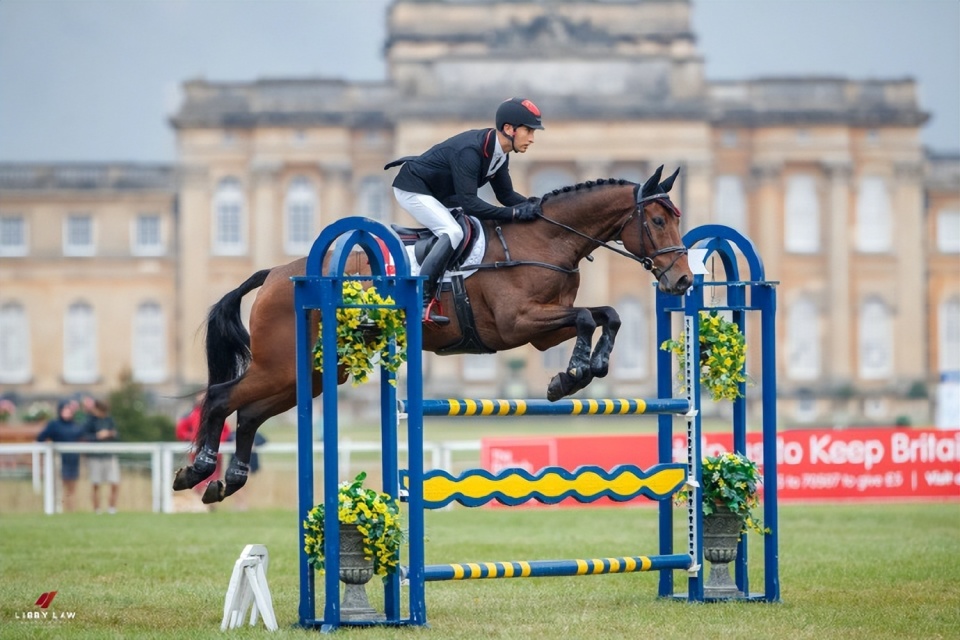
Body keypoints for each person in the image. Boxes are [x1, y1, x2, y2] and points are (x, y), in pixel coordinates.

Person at [386, 97, 545, 324]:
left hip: (441, 195)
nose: (532, 139)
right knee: (453, 232)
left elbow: (506, 196)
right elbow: (470, 203)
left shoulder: (500, 153)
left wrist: (539, 207)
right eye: (528, 131)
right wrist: (513, 214)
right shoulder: (471, 151)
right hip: (414, 189)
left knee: (473, 231)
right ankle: (421, 301)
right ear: (509, 129)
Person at [176, 393, 231, 497]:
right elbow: (180, 431)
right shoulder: (191, 415)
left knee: (214, 479)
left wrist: (217, 440)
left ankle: (211, 501)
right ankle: (199, 500)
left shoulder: (216, 414)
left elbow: (226, 431)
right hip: (197, 453)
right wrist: (191, 437)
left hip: (215, 454)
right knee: (198, 478)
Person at [35, 398, 83, 512]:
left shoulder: (75, 425)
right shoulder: (54, 425)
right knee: (58, 485)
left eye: (69, 410)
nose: (68, 412)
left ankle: (70, 509)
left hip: (73, 459)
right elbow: (41, 437)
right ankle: (57, 508)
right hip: (59, 459)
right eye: (65, 409)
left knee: (71, 486)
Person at [81, 397, 120, 514]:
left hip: (109, 455)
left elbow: (117, 435)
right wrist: (97, 436)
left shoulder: (109, 420)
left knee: (114, 482)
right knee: (96, 483)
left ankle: (111, 508)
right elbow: (84, 436)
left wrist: (110, 434)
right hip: (95, 457)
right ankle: (97, 509)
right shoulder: (89, 421)